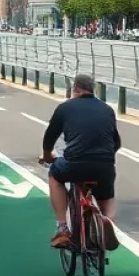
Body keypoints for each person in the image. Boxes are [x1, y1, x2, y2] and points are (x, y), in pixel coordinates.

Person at [40, 73, 120, 251]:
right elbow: (116, 143)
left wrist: (47, 156)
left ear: (75, 89)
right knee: (107, 196)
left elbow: (49, 137)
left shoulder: (65, 108)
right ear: (93, 90)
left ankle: (62, 229)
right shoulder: (107, 109)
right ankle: (107, 219)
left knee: (54, 177)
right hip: (104, 165)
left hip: (74, 164)